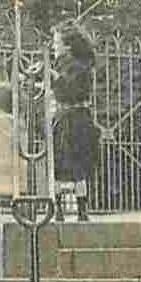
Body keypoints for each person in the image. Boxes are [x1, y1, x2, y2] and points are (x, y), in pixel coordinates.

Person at [51, 26, 102, 223]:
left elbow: (71, 90)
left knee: (76, 165)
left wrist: (55, 78)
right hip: (66, 116)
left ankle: (81, 210)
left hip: (75, 118)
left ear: (68, 46)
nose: (54, 46)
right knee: (60, 166)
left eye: (57, 42)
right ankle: (61, 209)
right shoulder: (62, 63)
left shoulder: (81, 66)